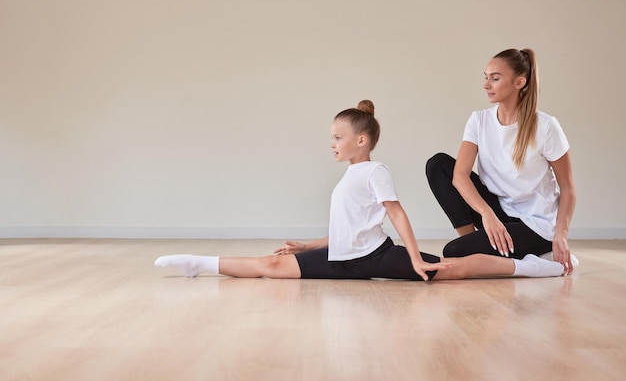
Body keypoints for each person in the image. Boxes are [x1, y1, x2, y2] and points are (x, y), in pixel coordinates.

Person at [155, 100, 565, 281]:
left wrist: (413, 257)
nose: (332, 143)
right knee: (270, 265)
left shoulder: (375, 171)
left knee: (447, 269)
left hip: (378, 258)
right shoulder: (347, 179)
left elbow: (396, 214)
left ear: (362, 141)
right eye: (331, 137)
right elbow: (351, 229)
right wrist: (308, 246)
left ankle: (535, 266)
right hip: (342, 258)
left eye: (338, 137)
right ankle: (199, 264)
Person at [425, 48, 577, 274]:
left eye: (495, 78)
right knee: (438, 165)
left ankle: (536, 263)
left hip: (535, 224)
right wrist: (487, 215)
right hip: (498, 210)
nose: (486, 85)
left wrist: (560, 235)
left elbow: (568, 187)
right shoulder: (479, 120)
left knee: (455, 252)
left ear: (519, 82)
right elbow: (459, 175)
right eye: (486, 77)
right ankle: (480, 244)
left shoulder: (546, 126)